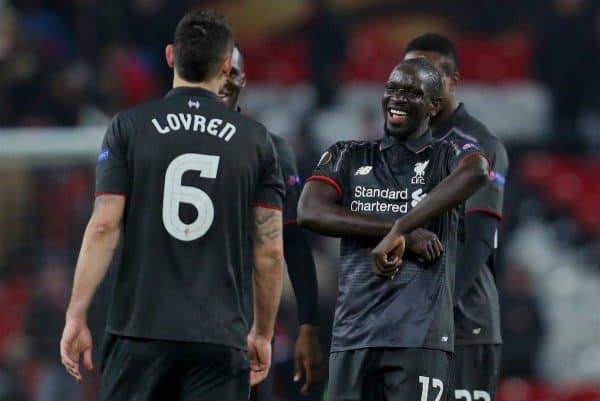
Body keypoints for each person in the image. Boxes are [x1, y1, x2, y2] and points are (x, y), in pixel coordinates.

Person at [59, 9, 286, 401]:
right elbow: (270, 250)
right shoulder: (256, 141)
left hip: (138, 333)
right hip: (218, 338)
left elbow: (103, 226)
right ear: (228, 64)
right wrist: (262, 333)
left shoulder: (129, 127)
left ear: (169, 56)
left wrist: (76, 314)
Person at [298, 58, 489, 401]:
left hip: (420, 337)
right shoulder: (348, 154)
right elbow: (310, 211)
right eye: (392, 89)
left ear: (433, 105)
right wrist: (398, 232)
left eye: (412, 92)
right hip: (354, 334)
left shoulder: (447, 154)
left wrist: (402, 227)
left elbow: (478, 171)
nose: (397, 98)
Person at [404, 33, 509, 401]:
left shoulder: (479, 145)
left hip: (462, 323)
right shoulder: (399, 144)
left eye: (428, 73)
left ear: (453, 81)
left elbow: (479, 239)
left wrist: (440, 308)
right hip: (403, 324)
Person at [219, 45, 324, 399]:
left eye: (231, 72)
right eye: (216, 72)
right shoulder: (165, 141)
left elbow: (293, 240)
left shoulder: (270, 148)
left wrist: (307, 325)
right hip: (179, 317)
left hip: (244, 315)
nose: (223, 81)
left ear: (244, 79)